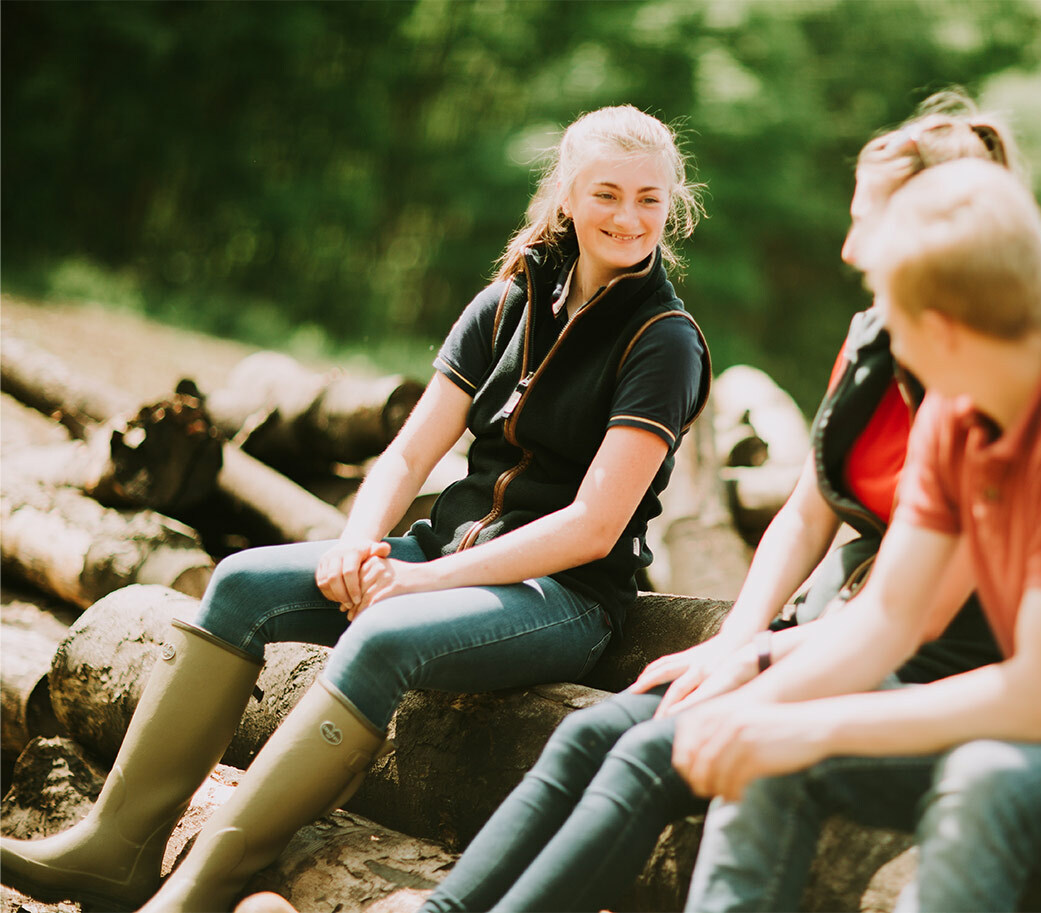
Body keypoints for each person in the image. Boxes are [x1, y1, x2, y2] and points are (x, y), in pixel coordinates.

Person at [0, 104, 711, 913]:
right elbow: (409, 453)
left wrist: (421, 586)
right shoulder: (509, 300)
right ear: (567, 197)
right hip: (440, 556)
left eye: (650, 199)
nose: (629, 217)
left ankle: (200, 889)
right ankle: (116, 847)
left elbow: (593, 523)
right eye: (608, 193)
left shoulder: (664, 338)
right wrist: (360, 543)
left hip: (563, 597)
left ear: (672, 205)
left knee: (379, 635)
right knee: (236, 583)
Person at [411, 94, 1009, 913]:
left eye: (866, 219)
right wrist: (733, 639)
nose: (846, 244)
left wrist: (762, 661)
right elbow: (806, 512)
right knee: (593, 730)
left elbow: (923, 615)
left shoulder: (991, 380)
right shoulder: (873, 332)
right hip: (831, 627)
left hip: (927, 663)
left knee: (647, 754)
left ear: (936, 227)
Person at [671, 158, 1041, 912]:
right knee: (779, 753)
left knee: (985, 779)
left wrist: (810, 725)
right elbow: (885, 619)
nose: (878, 327)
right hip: (1039, 741)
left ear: (941, 329)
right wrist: (755, 710)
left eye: (885, 306)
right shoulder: (954, 420)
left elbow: (1039, 698)